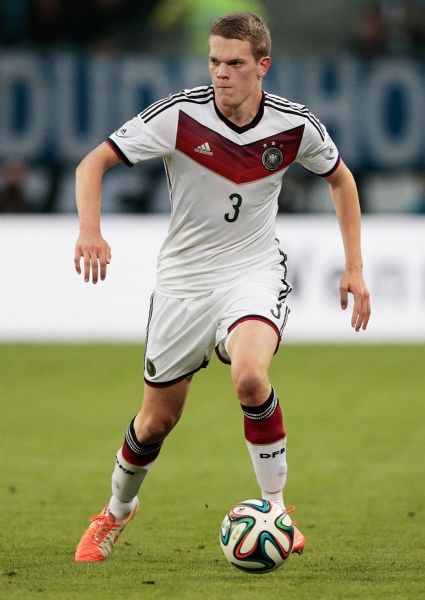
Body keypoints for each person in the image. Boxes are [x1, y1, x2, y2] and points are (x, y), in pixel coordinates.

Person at [73, 12, 371, 563]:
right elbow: (93, 163)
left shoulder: (294, 126)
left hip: (252, 271)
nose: (221, 73)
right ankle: (115, 511)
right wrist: (90, 229)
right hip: (183, 283)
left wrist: (354, 266)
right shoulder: (179, 116)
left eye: (234, 63)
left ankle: (276, 510)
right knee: (155, 422)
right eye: (214, 62)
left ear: (263, 65)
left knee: (251, 378)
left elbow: (341, 179)